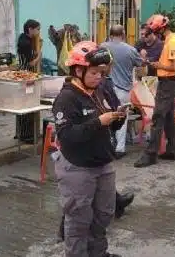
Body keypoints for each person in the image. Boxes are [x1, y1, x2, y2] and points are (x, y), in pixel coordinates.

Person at [52, 41, 125, 257]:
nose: (99, 77)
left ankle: (98, 253)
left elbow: (110, 125)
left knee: (103, 215)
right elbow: (67, 136)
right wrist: (99, 122)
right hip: (78, 168)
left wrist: (117, 118)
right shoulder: (67, 98)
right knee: (78, 221)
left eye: (101, 73)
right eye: (94, 73)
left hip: (103, 164)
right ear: (78, 70)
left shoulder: (99, 90)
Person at [134, 14, 175, 168]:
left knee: (158, 116)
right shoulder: (168, 41)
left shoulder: (173, 43)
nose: (154, 35)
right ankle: (173, 151)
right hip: (165, 82)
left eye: (155, 31)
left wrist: (158, 66)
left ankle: (151, 154)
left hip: (168, 83)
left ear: (161, 30)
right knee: (168, 118)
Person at [101, 25, 143, 157]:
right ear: (123, 35)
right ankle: (119, 149)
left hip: (104, 87)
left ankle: (105, 145)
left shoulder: (102, 47)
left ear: (110, 34)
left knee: (105, 115)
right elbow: (141, 67)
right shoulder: (131, 50)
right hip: (123, 89)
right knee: (121, 117)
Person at [16, 19, 41, 143]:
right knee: (27, 104)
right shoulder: (25, 43)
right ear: (30, 29)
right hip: (27, 76)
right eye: (37, 29)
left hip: (23, 75)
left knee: (23, 104)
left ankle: (20, 133)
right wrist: (39, 56)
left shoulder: (23, 38)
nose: (38, 32)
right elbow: (31, 62)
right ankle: (26, 135)